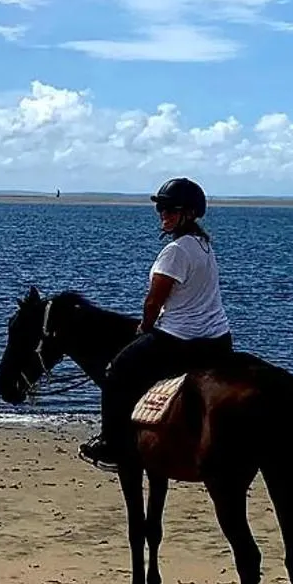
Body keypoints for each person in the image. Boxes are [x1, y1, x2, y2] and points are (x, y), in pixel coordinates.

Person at [79, 177, 234, 468]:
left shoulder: (175, 251)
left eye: (171, 210)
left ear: (189, 214)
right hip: (218, 339)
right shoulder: (204, 245)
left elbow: (153, 302)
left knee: (116, 372)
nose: (164, 215)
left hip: (181, 340)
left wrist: (145, 328)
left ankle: (112, 444)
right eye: (161, 209)